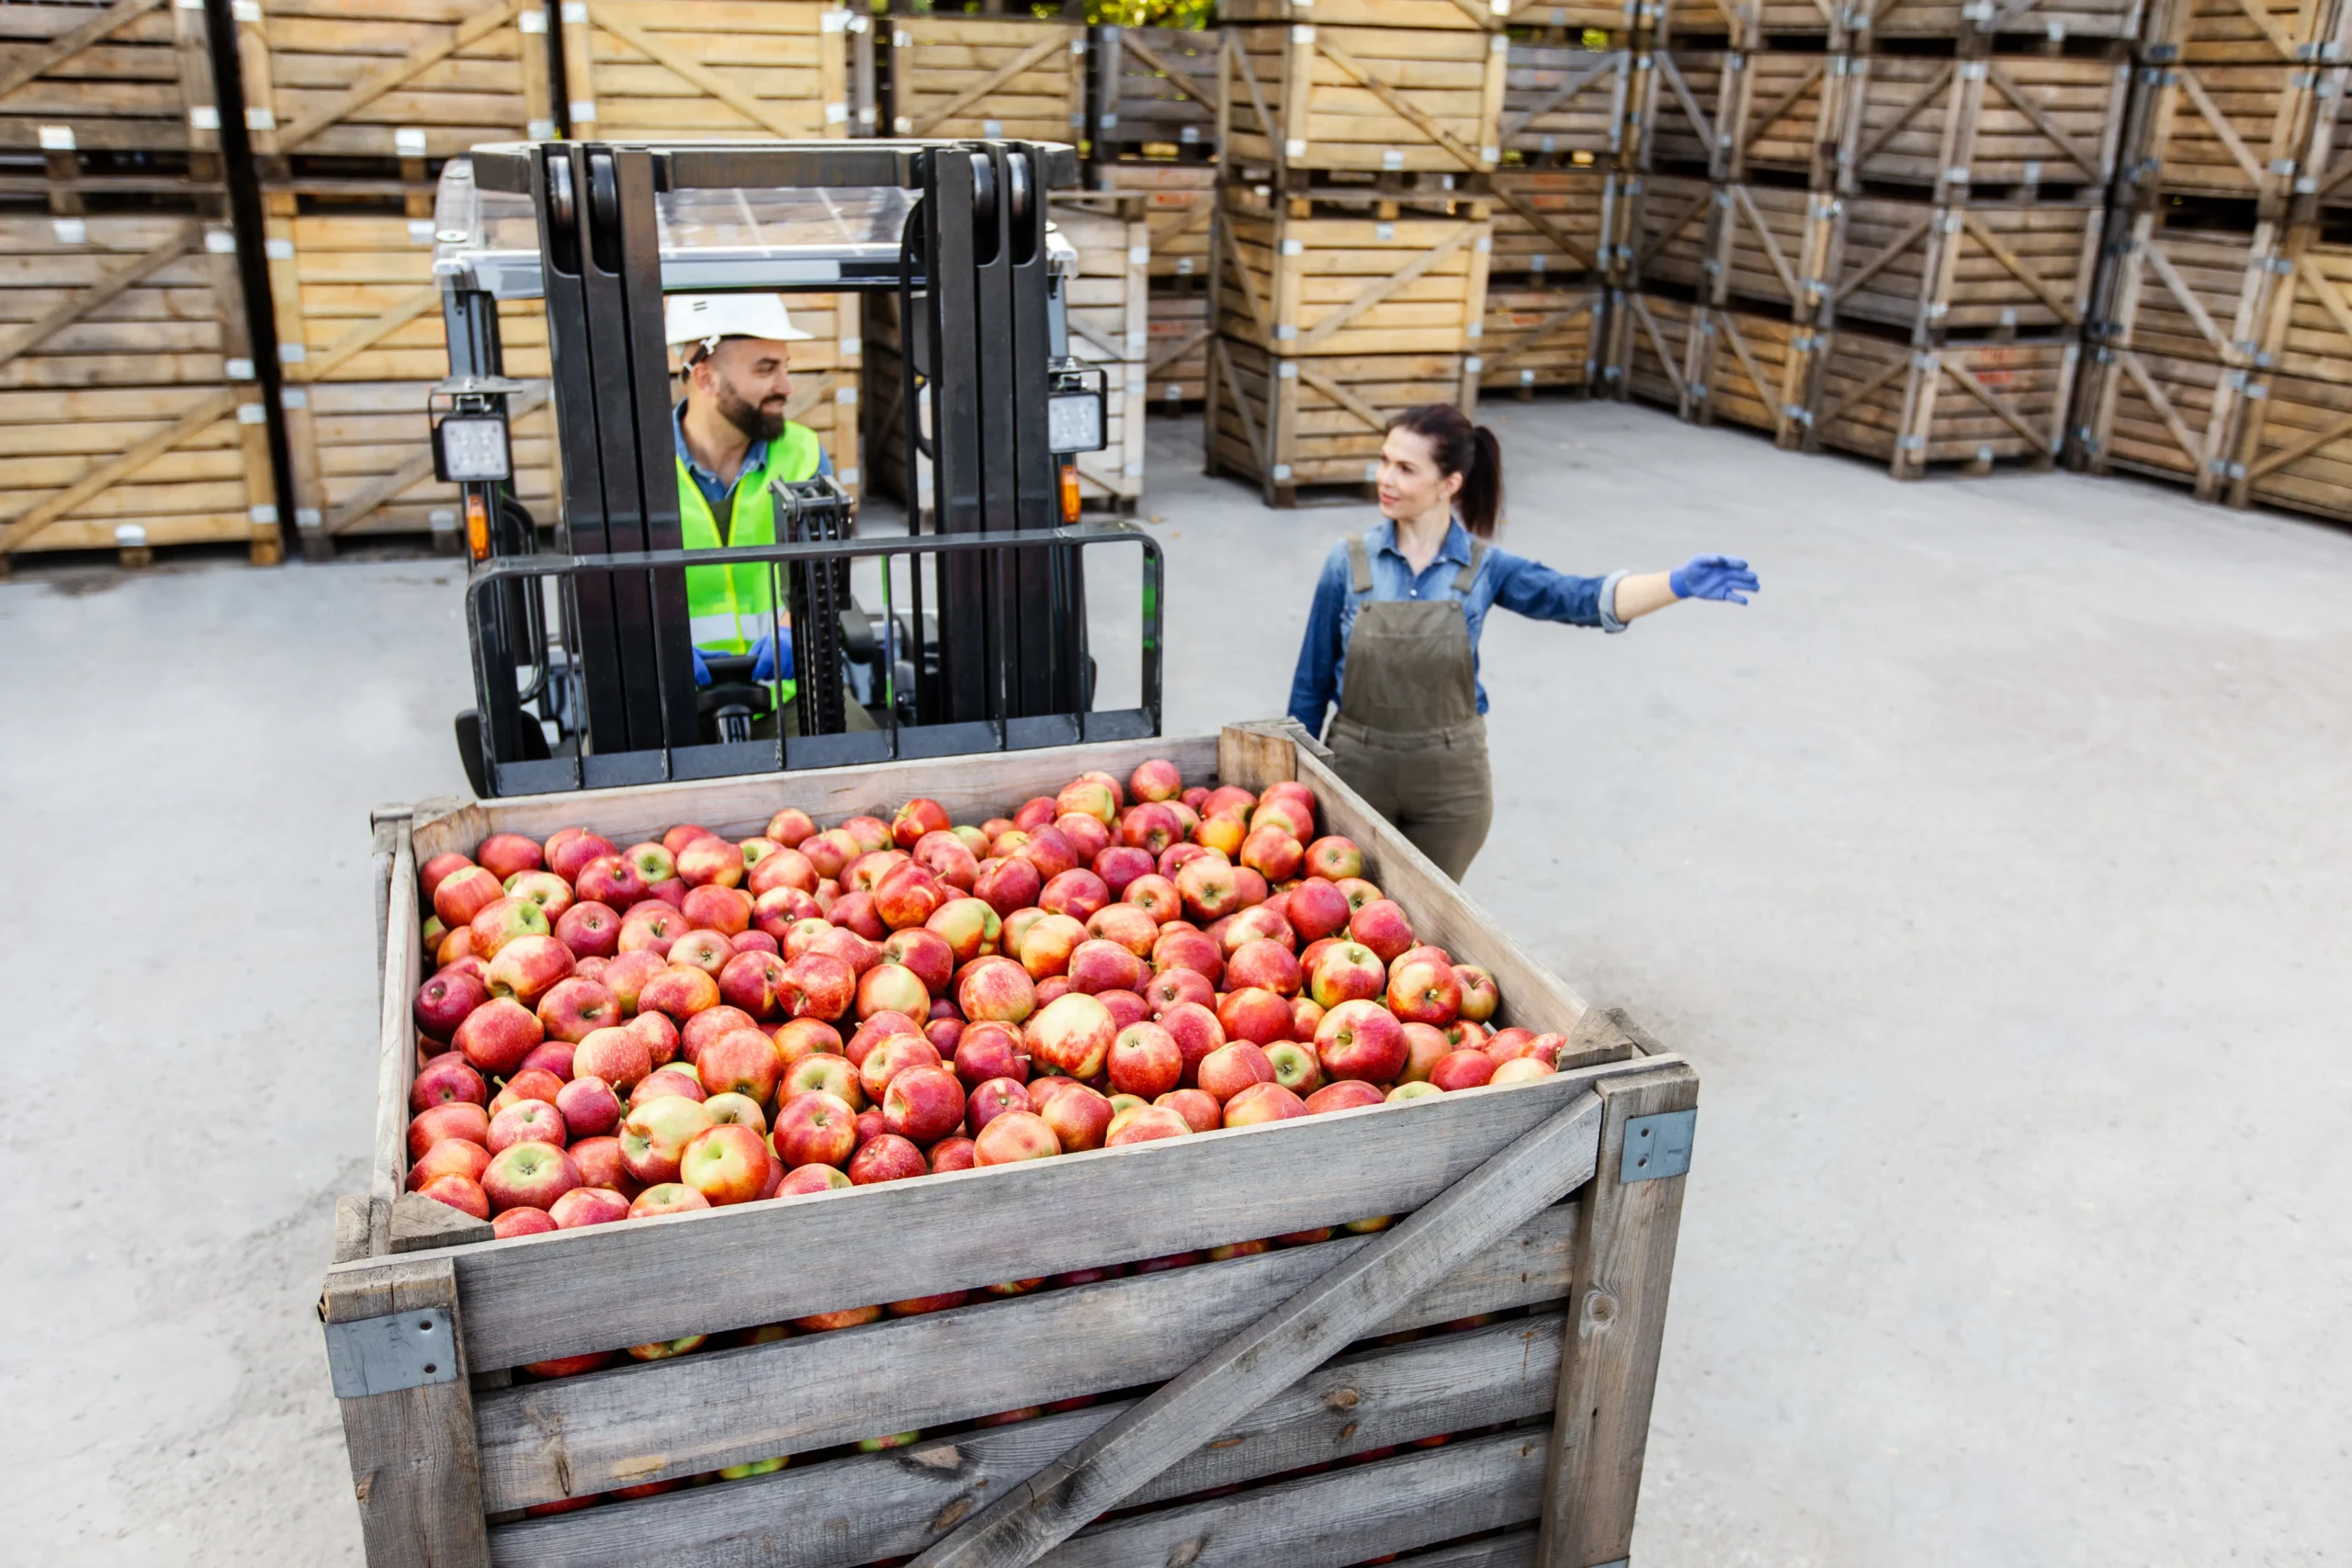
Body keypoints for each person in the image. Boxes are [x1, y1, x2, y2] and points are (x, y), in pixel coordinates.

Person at [1286, 404, 1759, 881]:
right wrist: (1292, 784)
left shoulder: (1484, 566)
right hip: (1355, 770)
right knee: (1338, 916)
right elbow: (1310, 683)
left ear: (1449, 484)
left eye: (1405, 468)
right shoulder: (1347, 562)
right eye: (1385, 460)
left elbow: (1577, 597)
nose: (1384, 477)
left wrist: (1677, 583)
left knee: (1430, 933)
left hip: (1451, 786)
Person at [665, 292, 832, 705]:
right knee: (599, 766)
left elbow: (824, 568)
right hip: (668, 698)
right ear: (706, 379)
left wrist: (793, 631)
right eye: (766, 369)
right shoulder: (634, 467)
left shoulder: (804, 453)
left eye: (785, 367)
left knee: (870, 763)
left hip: (787, 695)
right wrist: (656, 649)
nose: (787, 386)